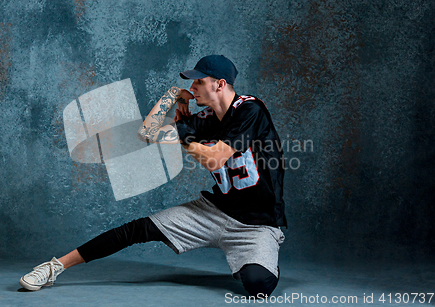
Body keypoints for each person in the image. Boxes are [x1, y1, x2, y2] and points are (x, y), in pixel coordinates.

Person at [19, 55, 287, 297]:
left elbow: (215, 157)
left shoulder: (250, 110)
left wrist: (184, 136)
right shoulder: (206, 118)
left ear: (220, 84)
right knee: (138, 229)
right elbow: (148, 132)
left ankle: (254, 258)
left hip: (257, 224)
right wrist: (172, 95)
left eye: (198, 82)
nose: (192, 88)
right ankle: (55, 267)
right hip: (215, 211)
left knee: (258, 284)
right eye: (190, 84)